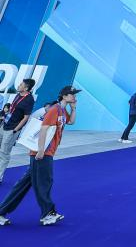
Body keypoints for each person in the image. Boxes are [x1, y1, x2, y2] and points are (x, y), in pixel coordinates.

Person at [0, 85, 77, 228]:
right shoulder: (54, 110)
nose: (74, 97)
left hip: (45, 151)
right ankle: (47, 213)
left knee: (23, 185)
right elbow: (43, 129)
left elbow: (71, 121)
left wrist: (73, 109)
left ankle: (1, 211)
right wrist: (40, 150)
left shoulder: (62, 110)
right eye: (72, 94)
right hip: (43, 152)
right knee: (44, 182)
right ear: (64, 96)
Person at [0, 78, 35, 185]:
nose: (19, 85)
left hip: (12, 129)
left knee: (4, 153)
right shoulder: (18, 95)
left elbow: (26, 117)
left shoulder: (29, 99)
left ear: (26, 88)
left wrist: (16, 129)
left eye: (21, 84)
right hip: (4, 125)